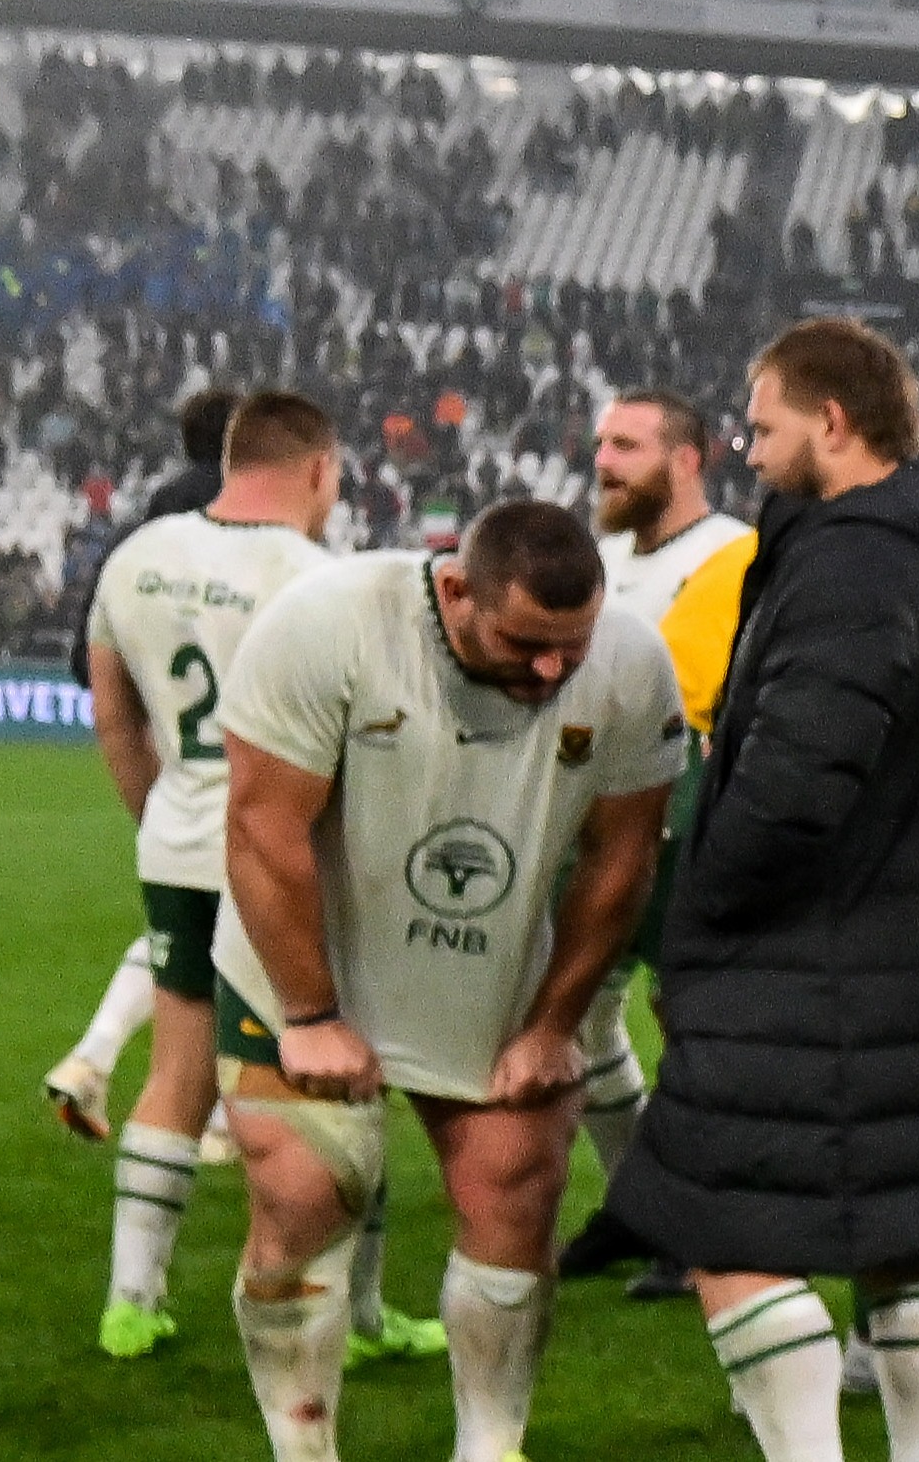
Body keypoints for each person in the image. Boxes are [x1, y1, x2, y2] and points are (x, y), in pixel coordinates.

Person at [613, 317, 919, 1462]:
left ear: (833, 422)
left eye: (766, 427)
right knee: (913, 1229)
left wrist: (699, 913)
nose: (750, 450)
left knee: (723, 1220)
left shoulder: (852, 561)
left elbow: (792, 783)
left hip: (830, 951)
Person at [211, 498, 683, 1462]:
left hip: (500, 968)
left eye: (573, 645)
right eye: (524, 642)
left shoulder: (631, 664)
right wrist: (310, 1014)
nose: (552, 669)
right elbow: (265, 829)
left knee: (515, 1193)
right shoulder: (328, 623)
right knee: (305, 1199)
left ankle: (492, 1449)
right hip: (305, 966)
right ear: (458, 589)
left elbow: (621, 859)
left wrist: (557, 1024)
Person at [68, 388, 347, 1360]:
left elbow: (112, 716)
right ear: (318, 469)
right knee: (310, 1083)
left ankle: (130, 1301)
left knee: (175, 1072)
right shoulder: (313, 576)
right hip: (281, 857)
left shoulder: (134, 557)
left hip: (179, 842)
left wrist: (160, 814)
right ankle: (337, 1317)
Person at [551, 384, 758, 1300]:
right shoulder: (592, 559)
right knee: (579, 1015)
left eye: (627, 446)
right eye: (602, 443)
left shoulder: (736, 556)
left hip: (686, 826)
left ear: (686, 459)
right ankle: (646, 1206)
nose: (604, 461)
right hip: (587, 821)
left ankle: (704, 1221)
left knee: (693, 1026)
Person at [50, 385, 249, 1138]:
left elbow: (86, 659)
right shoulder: (254, 528)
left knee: (193, 919)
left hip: (170, 748)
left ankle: (95, 1057)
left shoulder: (141, 532)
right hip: (240, 752)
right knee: (247, 924)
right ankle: (228, 1117)